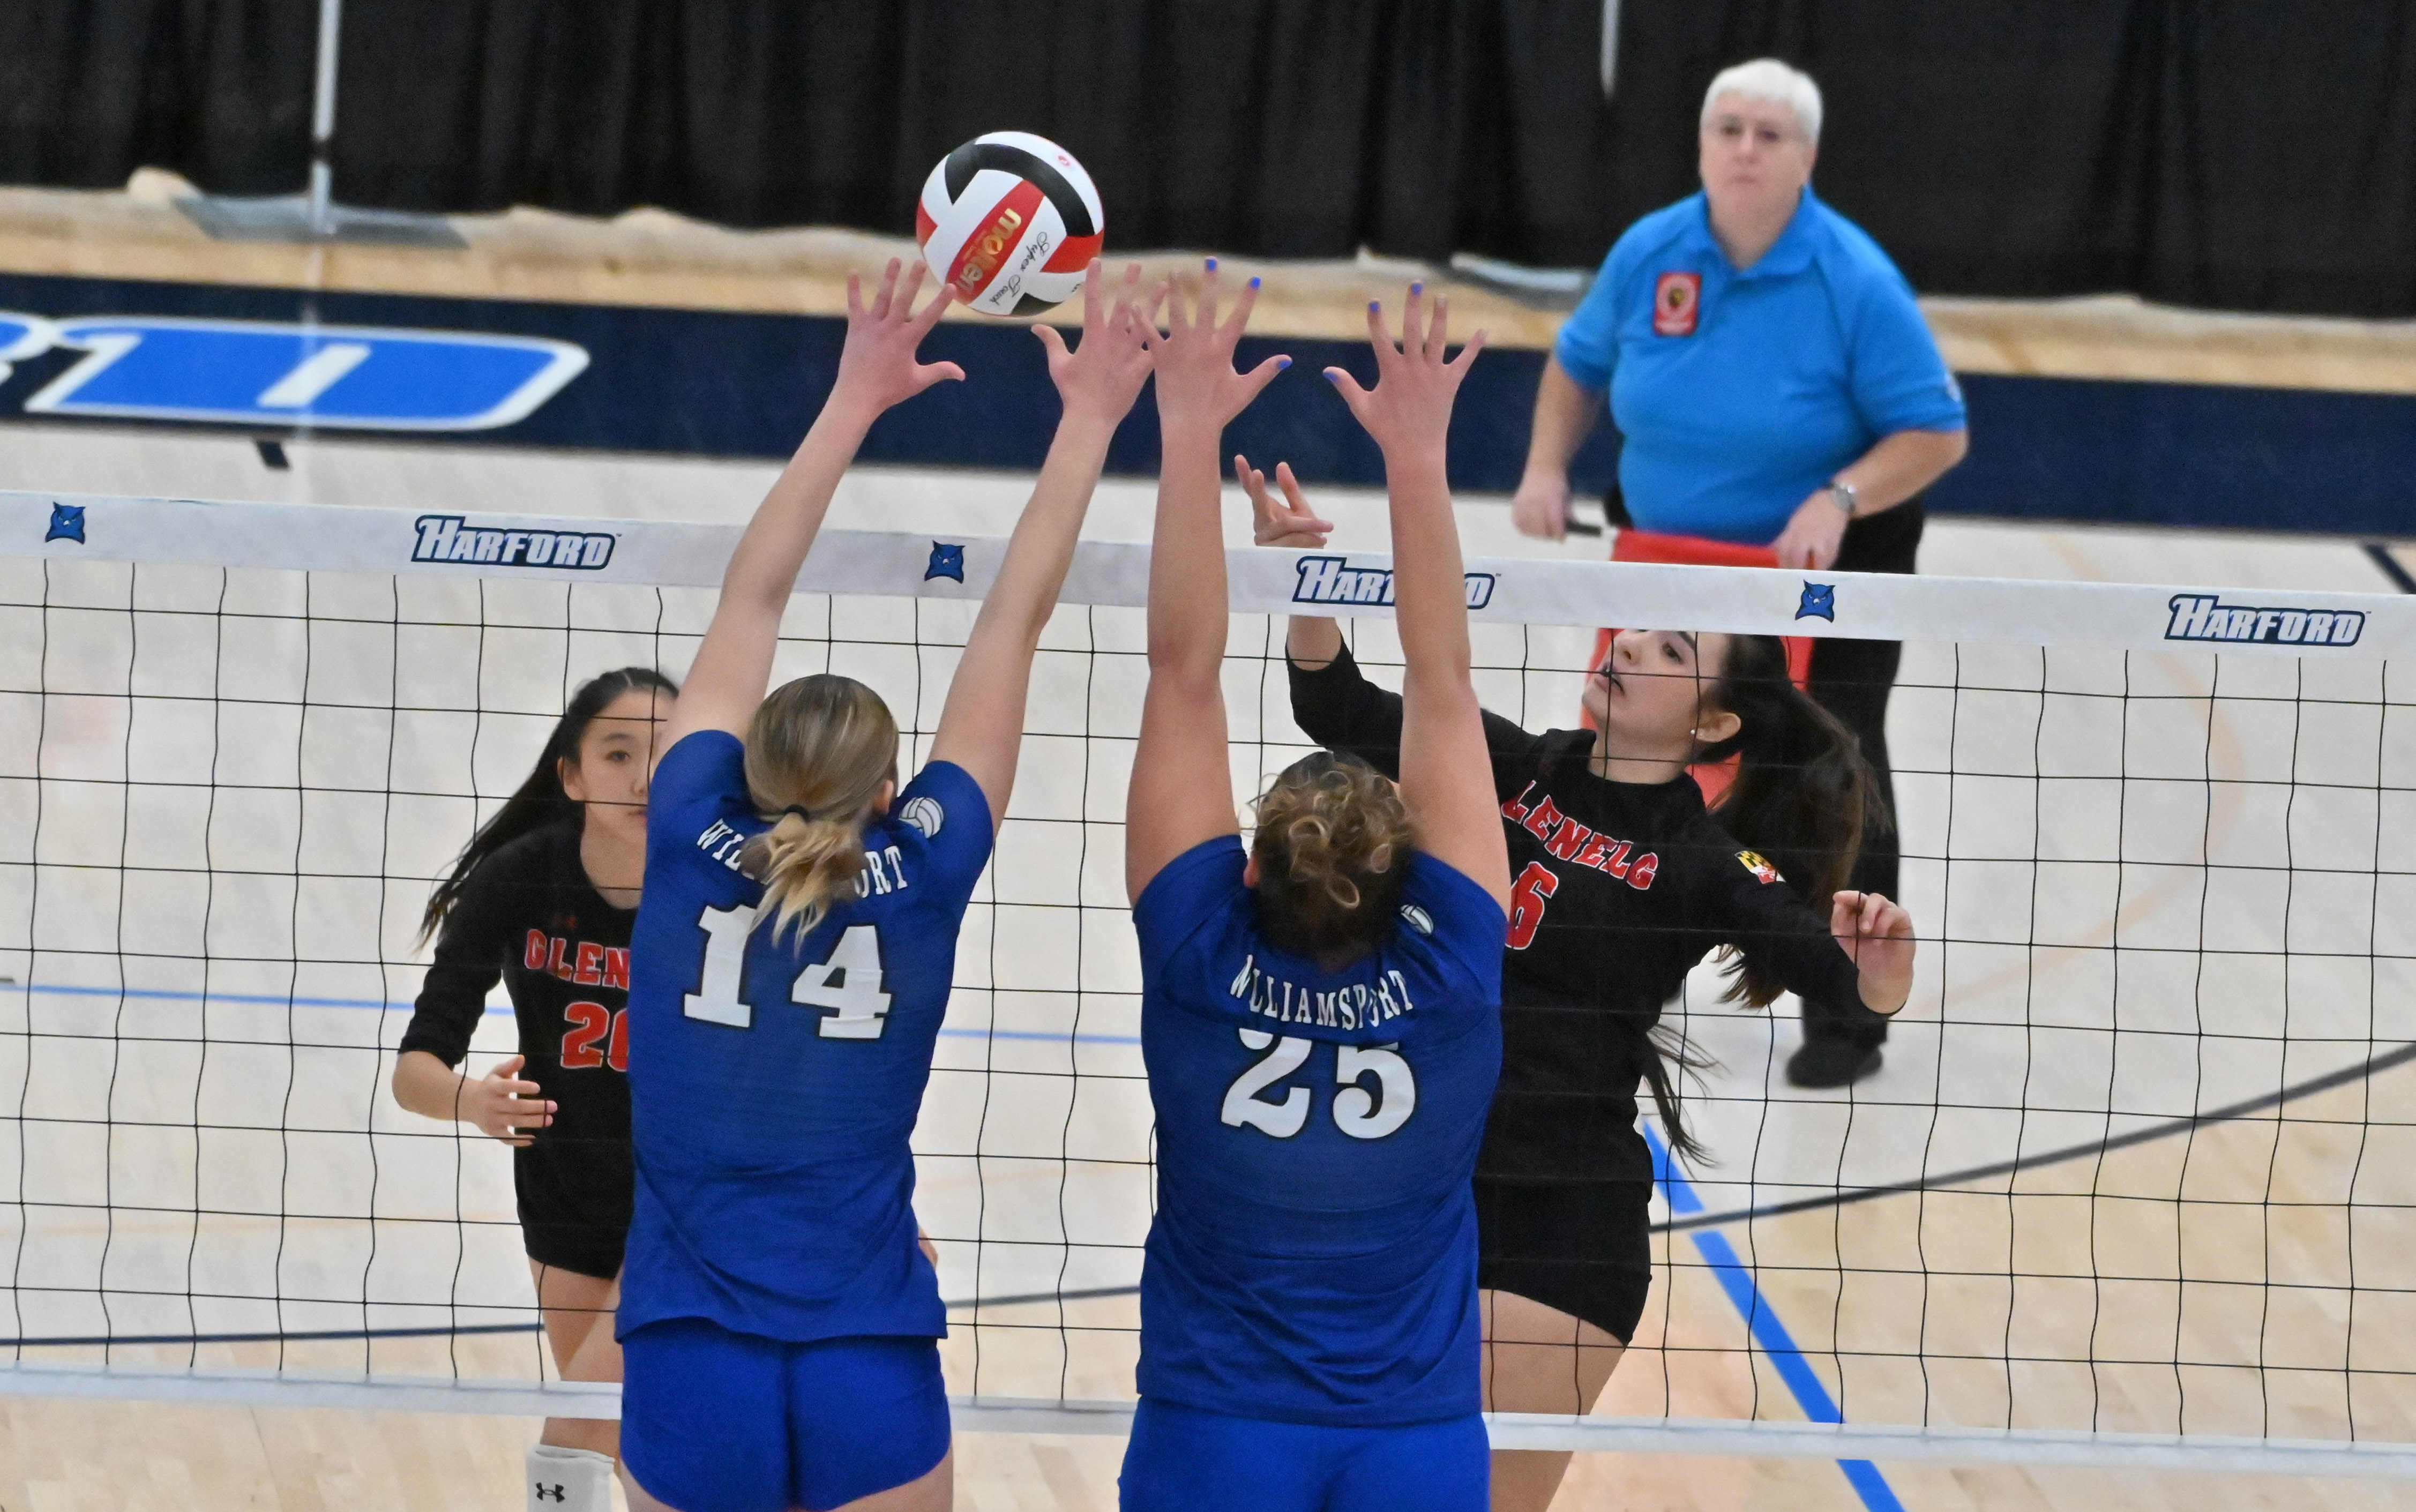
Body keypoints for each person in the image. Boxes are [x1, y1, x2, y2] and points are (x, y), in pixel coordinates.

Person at [1246, 461, 1918, 1512]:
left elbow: (1833, 976)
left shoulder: (1702, 863)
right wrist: (1303, 582)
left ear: (1711, 726)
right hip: (1415, 1178)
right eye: (1634, 629)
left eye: (1671, 650)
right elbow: (1334, 702)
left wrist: (1880, 970)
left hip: (1562, 1217)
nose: (1630, 645)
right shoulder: (1511, 767)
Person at [615, 256, 1158, 1512]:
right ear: (886, 790)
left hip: (692, 1343)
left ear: (746, 761)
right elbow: (1010, 623)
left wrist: (851, 396)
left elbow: (751, 594)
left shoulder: (683, 825)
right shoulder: (923, 867)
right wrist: (1088, 418)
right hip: (866, 1341)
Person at [1119, 271, 1510, 1512]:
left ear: (1247, 870)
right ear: (1407, 875)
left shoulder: (1198, 953)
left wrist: (1185, 424)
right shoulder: (1452, 970)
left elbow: (1181, 671)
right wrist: (1417, 454)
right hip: (1412, 1443)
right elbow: (1442, 683)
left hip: (1212, 1432)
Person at [1508, 56, 1967, 1088]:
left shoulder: (1852, 277)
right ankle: (1618, 951)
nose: (1745, 150)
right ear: (1702, 143)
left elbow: (1935, 432)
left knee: (1832, 770)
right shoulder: (1651, 249)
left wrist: (1838, 496)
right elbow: (1578, 364)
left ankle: (1845, 1010)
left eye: (1769, 134)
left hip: (1824, 570)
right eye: (1728, 129)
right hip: (1667, 558)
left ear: (1807, 156)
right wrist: (1544, 466)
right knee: (1632, 746)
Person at [396, 663, 675, 1512]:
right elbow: (415, 1069)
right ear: (572, 775)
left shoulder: (727, 881)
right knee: (627, 1443)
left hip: (688, 1196)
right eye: (618, 753)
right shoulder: (522, 876)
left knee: (584, 1433)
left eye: (667, 754)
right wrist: (469, 1100)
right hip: (567, 1193)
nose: (644, 778)